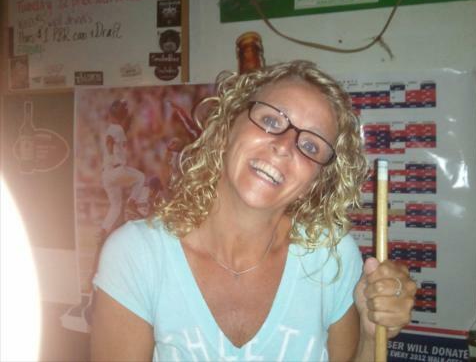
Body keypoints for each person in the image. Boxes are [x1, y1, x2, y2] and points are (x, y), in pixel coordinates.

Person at [91, 61, 417, 361]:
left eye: (310, 146)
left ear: (317, 180)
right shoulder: (137, 255)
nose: (284, 146)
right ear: (227, 125)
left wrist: (371, 336)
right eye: (271, 120)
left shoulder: (332, 257)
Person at [100, 99, 145, 237]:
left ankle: (103, 230)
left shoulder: (115, 128)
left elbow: (120, 132)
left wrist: (130, 117)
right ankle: (131, 202)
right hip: (116, 170)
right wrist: (111, 155)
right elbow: (109, 140)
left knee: (116, 206)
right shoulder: (116, 129)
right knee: (140, 178)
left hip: (106, 174)